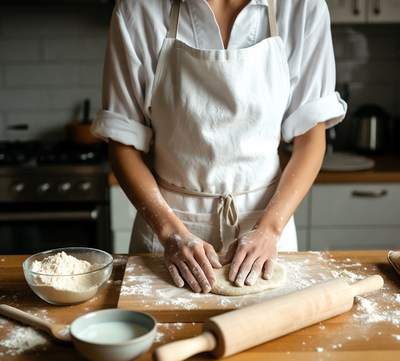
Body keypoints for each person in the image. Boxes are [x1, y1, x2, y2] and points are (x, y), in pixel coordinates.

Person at [92, 0, 347, 294]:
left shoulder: (302, 8)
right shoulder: (139, 10)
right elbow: (123, 146)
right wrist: (171, 234)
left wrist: (269, 229)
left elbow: (310, 139)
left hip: (268, 230)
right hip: (168, 232)